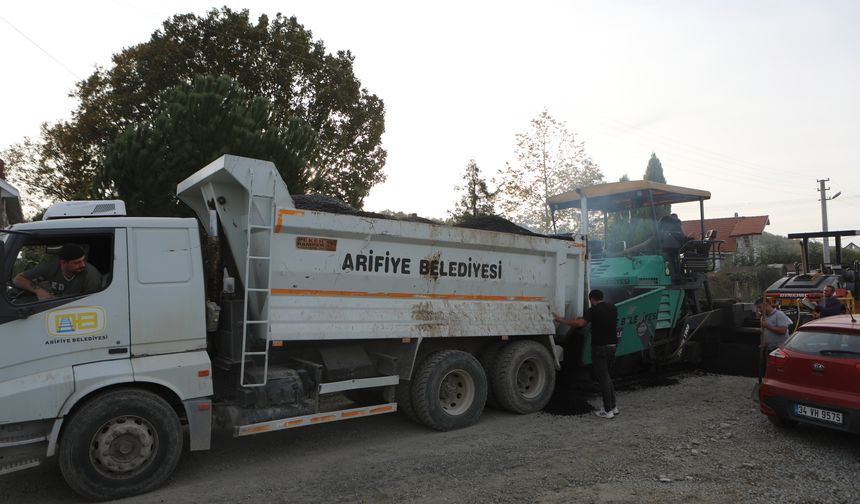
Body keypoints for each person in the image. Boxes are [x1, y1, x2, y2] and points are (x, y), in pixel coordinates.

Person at [554, 289, 619, 419]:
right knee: (607, 377)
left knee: (603, 378)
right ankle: (613, 407)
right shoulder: (613, 308)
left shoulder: (593, 310)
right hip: (612, 347)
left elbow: (581, 323)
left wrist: (561, 320)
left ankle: (607, 410)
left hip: (599, 348)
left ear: (592, 299)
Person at [13, 244, 102, 301]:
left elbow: (93, 302)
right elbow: (18, 279)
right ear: (63, 262)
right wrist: (39, 291)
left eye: (83, 260)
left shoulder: (92, 275)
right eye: (77, 262)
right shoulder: (51, 267)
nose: (83, 265)